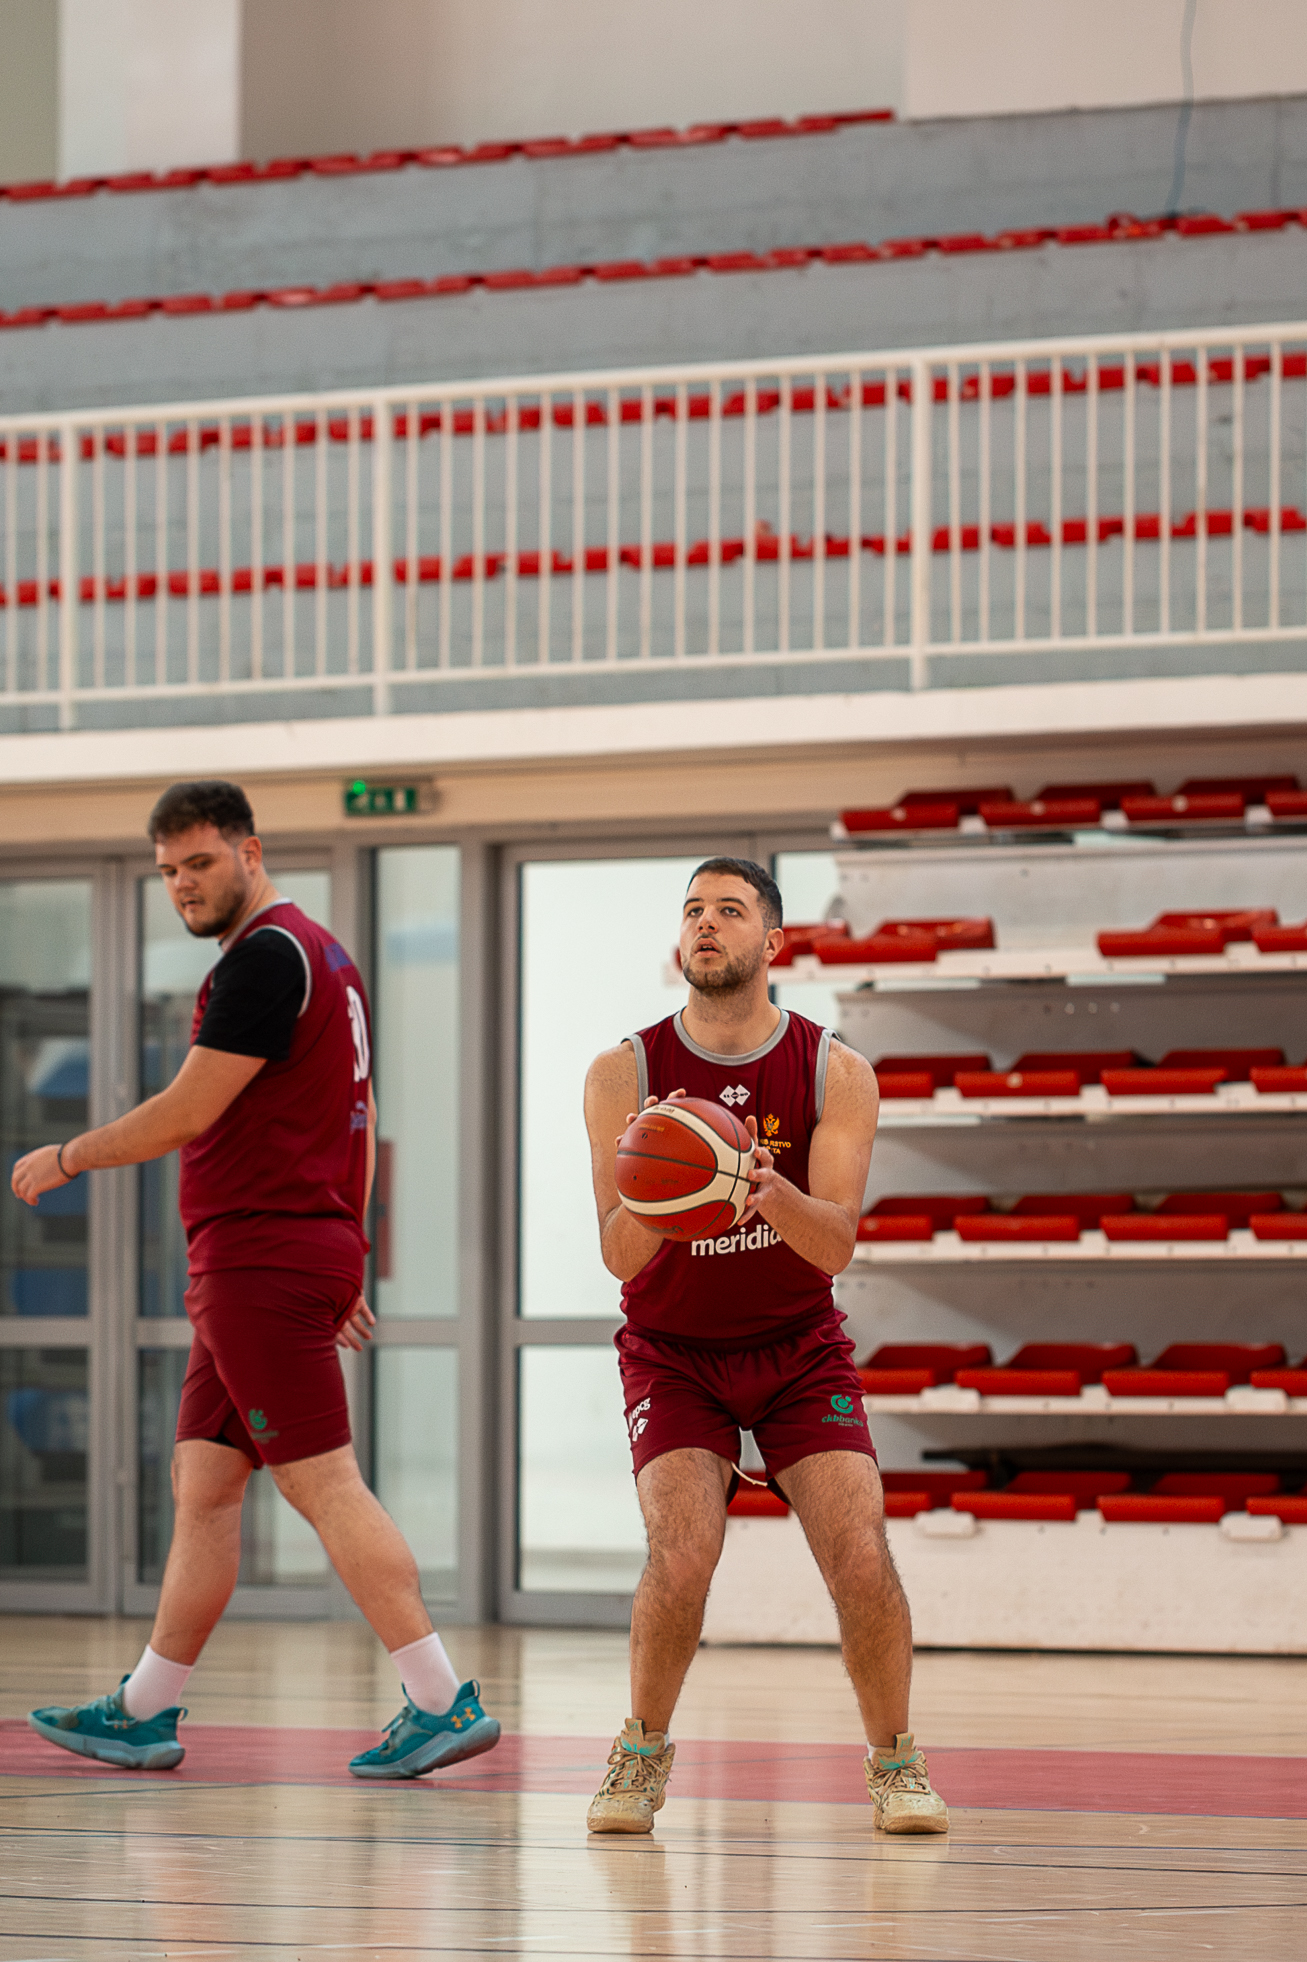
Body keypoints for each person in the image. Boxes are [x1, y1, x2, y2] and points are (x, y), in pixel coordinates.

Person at [13, 779, 496, 1782]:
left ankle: (439, 1696)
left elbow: (188, 1109)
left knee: (323, 1482)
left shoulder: (265, 960)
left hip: (259, 1258)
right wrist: (347, 1246)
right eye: (168, 872)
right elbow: (364, 1114)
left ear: (251, 851)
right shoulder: (326, 956)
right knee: (205, 1483)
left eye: (199, 862)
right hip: (284, 1250)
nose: (183, 885)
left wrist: (68, 1155)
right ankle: (144, 1709)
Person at [581, 857, 947, 1837]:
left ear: (773, 942)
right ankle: (640, 1754)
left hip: (796, 1346)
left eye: (729, 910)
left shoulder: (836, 1070)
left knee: (859, 1554)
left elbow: (834, 1245)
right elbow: (618, 1253)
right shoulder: (625, 1073)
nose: (705, 924)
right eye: (692, 910)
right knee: (682, 1555)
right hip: (672, 1351)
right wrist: (673, 1183)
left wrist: (759, 1185)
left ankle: (897, 1764)